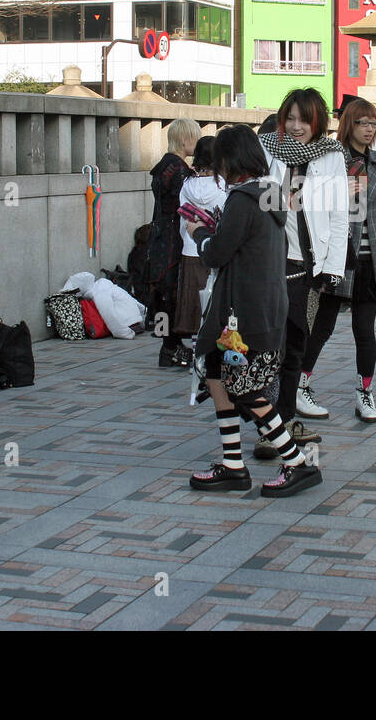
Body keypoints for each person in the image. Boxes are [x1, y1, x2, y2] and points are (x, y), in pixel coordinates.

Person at [185, 125, 322, 497]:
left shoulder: (244, 198)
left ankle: (297, 463)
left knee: (247, 391)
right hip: (260, 308)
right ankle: (232, 465)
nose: (218, 170)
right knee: (217, 375)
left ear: (230, 161)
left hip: (243, 316)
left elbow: (215, 253)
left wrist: (198, 231)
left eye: (219, 163)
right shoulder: (270, 193)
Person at [300, 98, 376, 424]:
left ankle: (365, 394)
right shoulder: (332, 157)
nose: (369, 129)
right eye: (363, 123)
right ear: (350, 124)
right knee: (323, 326)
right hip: (339, 256)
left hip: (370, 257)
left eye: (373, 123)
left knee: (365, 330)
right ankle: (300, 385)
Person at [257, 88, 348, 454]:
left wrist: (332, 269)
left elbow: (341, 216)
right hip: (267, 263)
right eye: (289, 118)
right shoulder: (265, 149)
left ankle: (285, 419)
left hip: (307, 266)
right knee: (266, 349)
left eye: (303, 119)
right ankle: (268, 429)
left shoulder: (331, 157)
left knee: (295, 348)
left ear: (317, 122)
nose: (295, 126)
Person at [146, 118, 201, 367]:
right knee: (171, 292)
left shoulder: (162, 166)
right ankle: (170, 348)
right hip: (172, 239)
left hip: (158, 235)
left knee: (162, 292)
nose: (198, 143)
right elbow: (187, 205)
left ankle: (168, 346)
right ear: (183, 140)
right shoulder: (178, 169)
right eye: (195, 138)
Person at [175, 136, 226, 343]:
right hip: (213, 249)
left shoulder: (187, 184)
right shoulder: (223, 185)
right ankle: (212, 349)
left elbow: (182, 222)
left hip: (190, 248)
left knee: (193, 304)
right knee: (213, 302)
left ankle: (197, 349)